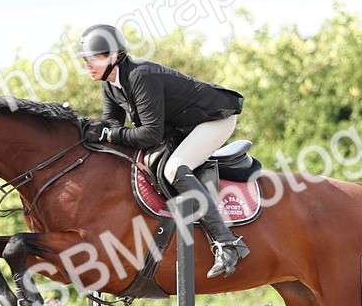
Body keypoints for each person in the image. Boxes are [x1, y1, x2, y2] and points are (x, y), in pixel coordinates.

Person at [76, 23, 250, 278]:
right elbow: (112, 126)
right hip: (183, 125)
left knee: (173, 169)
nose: (87, 65)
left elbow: (149, 134)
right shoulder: (110, 84)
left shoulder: (140, 76)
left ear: (114, 56)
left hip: (213, 119)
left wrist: (109, 133)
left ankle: (227, 243)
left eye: (93, 58)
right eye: (85, 60)